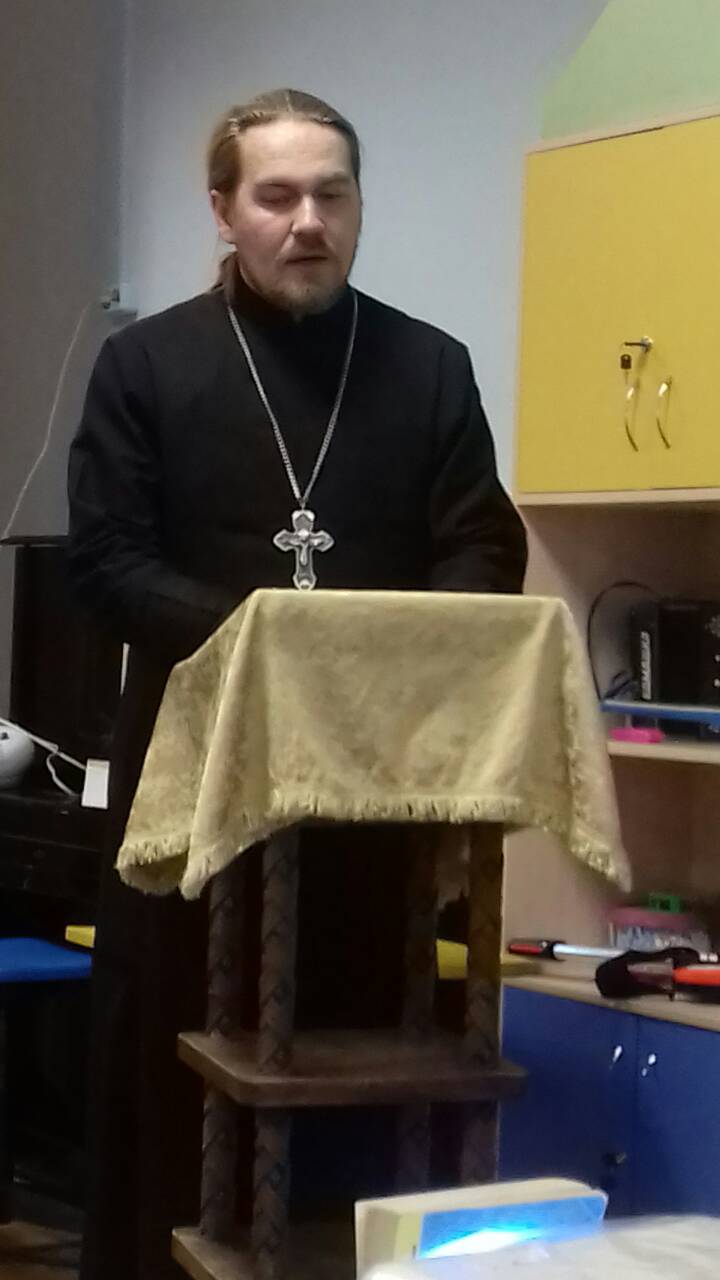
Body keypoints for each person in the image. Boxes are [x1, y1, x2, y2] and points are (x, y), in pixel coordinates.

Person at [67, 88, 527, 1280]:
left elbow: (483, 543)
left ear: (359, 206)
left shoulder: (430, 367)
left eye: (332, 193)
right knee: (171, 1091)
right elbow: (107, 562)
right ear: (224, 211)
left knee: (360, 1095)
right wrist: (272, 646)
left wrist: (378, 652)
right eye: (276, 196)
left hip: (371, 811)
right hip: (192, 811)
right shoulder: (144, 365)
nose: (308, 220)